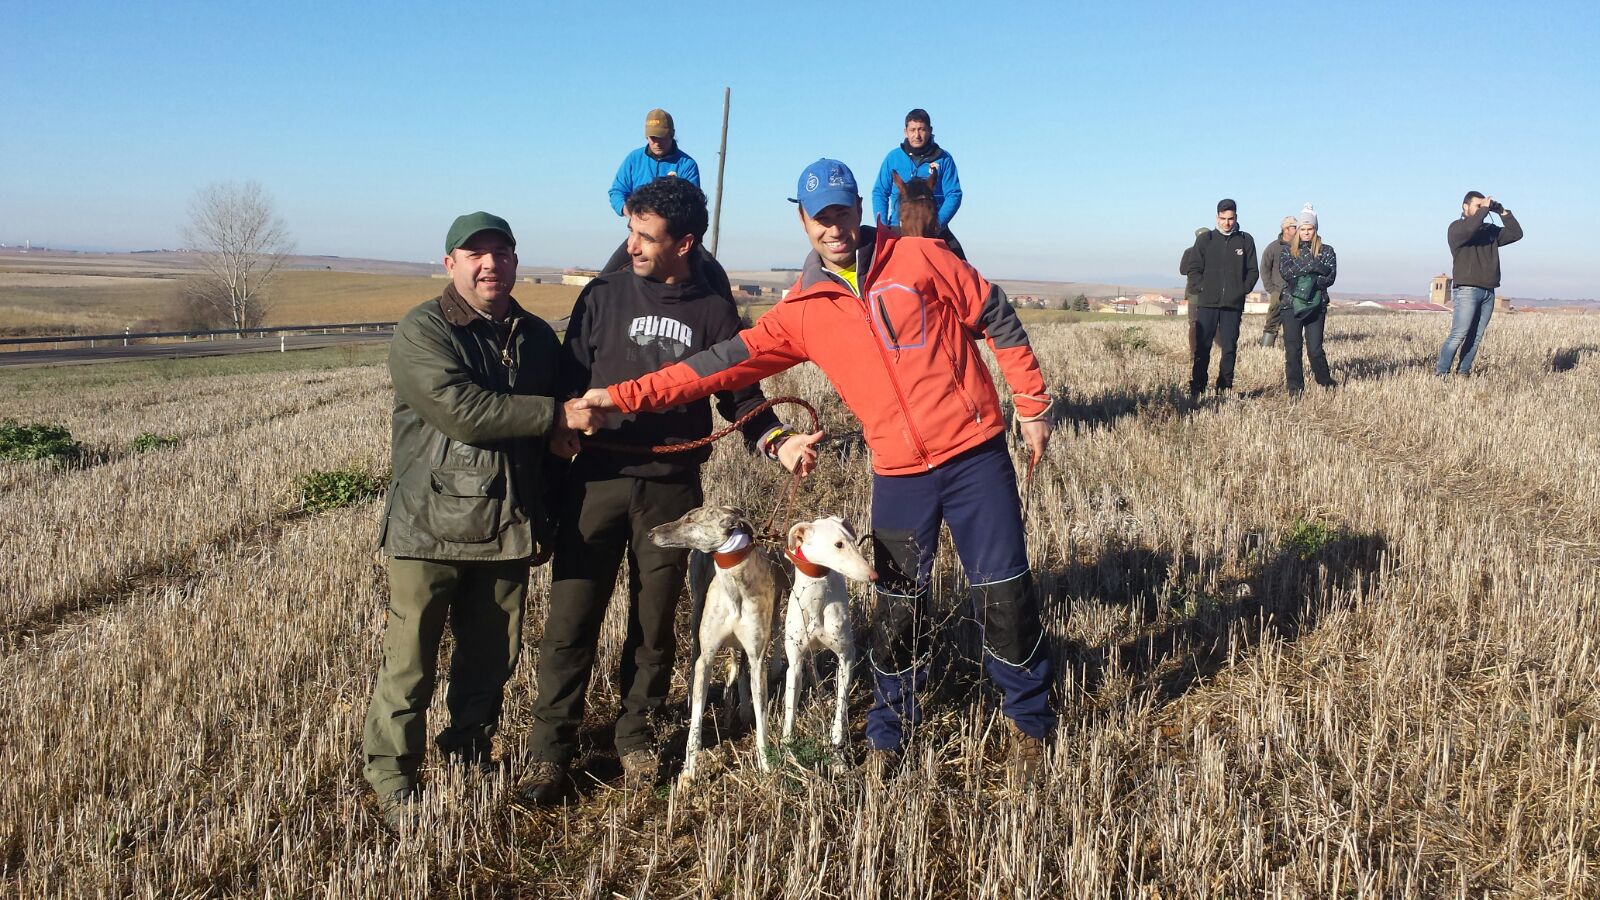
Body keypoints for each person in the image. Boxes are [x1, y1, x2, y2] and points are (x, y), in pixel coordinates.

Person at [577, 159, 1056, 776]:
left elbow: (995, 313)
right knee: (898, 602)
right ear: (802, 220)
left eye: (841, 211)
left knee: (1004, 591)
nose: (832, 227)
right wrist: (619, 396)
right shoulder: (803, 310)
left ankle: (1028, 720)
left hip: (975, 455)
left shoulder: (922, 258)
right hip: (900, 472)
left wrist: (1033, 404)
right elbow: (713, 366)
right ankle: (890, 732)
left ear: (861, 207)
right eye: (818, 217)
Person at [519, 177, 801, 804]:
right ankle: (549, 752)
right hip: (595, 480)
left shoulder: (713, 311)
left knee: (654, 623)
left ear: (685, 243)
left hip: (672, 488)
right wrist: (559, 431)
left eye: (646, 236)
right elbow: (567, 381)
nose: (632, 245)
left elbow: (741, 395)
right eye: (630, 230)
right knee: (571, 618)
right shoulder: (602, 295)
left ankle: (636, 737)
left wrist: (777, 441)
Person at [362, 212, 603, 828]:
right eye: (475, 254)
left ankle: (469, 753)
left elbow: (555, 418)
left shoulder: (535, 336)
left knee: (490, 658)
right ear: (451, 264)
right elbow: (462, 411)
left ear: (516, 263)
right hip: (429, 525)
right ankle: (393, 776)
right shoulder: (424, 329)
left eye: (502, 252)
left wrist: (560, 439)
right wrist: (554, 418)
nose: (490, 264)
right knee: (410, 661)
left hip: (507, 526)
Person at [602, 108, 732, 300]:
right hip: (643, 234)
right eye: (651, 137)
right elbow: (616, 192)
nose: (656, 142)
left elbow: (691, 204)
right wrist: (631, 212)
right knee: (604, 278)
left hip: (675, 236)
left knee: (714, 274)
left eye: (661, 137)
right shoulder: (633, 159)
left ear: (671, 134)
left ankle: (726, 312)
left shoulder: (686, 164)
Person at [1436, 191, 1523, 376]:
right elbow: (1470, 229)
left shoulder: (1489, 231)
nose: (1481, 210)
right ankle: (1441, 374)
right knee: (1459, 334)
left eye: (1483, 207)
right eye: (1477, 206)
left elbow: (1516, 234)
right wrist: (1484, 209)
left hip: (1488, 291)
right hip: (1466, 290)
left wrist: (1502, 211)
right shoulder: (1456, 228)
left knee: (1475, 337)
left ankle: (1463, 373)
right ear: (1464, 207)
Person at [1182, 199, 1259, 399]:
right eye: (1223, 218)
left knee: (1229, 347)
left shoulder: (1245, 240)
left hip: (1232, 306)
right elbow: (1193, 269)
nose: (1227, 223)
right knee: (1202, 348)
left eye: (1230, 218)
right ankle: (1197, 387)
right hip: (1207, 303)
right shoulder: (1205, 240)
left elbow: (1253, 271)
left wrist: (1240, 290)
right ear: (1217, 217)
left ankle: (1224, 387)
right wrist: (1202, 288)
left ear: (1236, 218)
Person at [871, 109, 967, 259]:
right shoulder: (893, 157)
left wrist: (937, 222)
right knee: (872, 262)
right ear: (905, 132)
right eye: (913, 130)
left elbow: (954, 194)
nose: (917, 135)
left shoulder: (944, 158)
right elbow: (880, 192)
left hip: (933, 226)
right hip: (898, 225)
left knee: (961, 263)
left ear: (930, 130)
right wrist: (882, 226)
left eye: (922, 129)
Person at [1277, 204, 1338, 395]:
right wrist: (1314, 268)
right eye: (1302, 229)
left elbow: (1329, 277)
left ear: (1315, 229)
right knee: (1293, 349)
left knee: (1315, 349)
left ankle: (1325, 381)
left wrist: (1304, 275)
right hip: (1290, 305)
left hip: (1316, 305)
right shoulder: (1287, 251)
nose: (1305, 232)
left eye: (1309, 229)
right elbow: (1287, 273)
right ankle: (1295, 388)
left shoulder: (1327, 250)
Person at [1258, 216, 1297, 347]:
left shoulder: (1301, 247)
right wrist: (1271, 290)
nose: (1297, 230)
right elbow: (1264, 268)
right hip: (1278, 291)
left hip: (1297, 292)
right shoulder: (1273, 247)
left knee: (1295, 322)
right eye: (1294, 227)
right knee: (1272, 322)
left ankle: (1292, 347)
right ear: (1286, 229)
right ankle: (1266, 348)